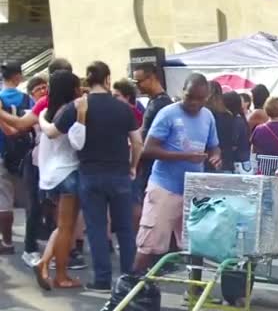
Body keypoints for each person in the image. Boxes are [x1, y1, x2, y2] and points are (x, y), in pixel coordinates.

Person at [50, 61, 143, 292]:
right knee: (124, 229)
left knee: (96, 228)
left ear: (87, 80)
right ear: (107, 79)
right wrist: (133, 166)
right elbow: (137, 141)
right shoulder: (123, 107)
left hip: (90, 175)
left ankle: (101, 279)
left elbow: (52, 132)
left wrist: (41, 118)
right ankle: (129, 279)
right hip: (120, 174)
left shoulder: (77, 106)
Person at [132, 73, 221, 273]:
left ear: (207, 98)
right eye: (190, 97)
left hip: (192, 189)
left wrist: (215, 156)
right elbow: (148, 150)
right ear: (182, 92)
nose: (194, 103)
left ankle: (195, 290)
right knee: (149, 242)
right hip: (165, 187)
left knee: (194, 244)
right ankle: (130, 289)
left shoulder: (208, 116)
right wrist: (184, 156)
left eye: (200, 99)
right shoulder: (168, 113)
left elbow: (215, 146)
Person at [0, 58, 82, 266]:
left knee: (56, 218)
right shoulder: (69, 105)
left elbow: (21, 126)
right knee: (55, 218)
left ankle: (53, 258)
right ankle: (50, 259)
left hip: (49, 169)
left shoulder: (49, 106)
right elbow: (22, 127)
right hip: (55, 168)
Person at [34, 71, 85, 289]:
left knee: (62, 226)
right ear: (72, 89)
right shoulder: (72, 111)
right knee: (67, 227)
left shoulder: (46, 112)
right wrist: (82, 116)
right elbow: (77, 141)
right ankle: (61, 275)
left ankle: (44, 263)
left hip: (51, 175)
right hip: (69, 172)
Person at [0, 62, 34, 254]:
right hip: (24, 154)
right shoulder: (27, 99)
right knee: (30, 200)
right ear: (18, 77)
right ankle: (31, 243)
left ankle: (7, 242)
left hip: (1, 152)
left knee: (3, 200)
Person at [132, 63, 173, 207]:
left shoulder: (161, 104)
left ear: (152, 78)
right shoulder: (154, 101)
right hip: (149, 162)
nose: (137, 86)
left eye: (139, 81)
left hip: (154, 165)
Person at [223, 91, 251, 172]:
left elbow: (233, 143)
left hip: (238, 164)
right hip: (243, 163)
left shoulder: (236, 121)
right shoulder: (241, 119)